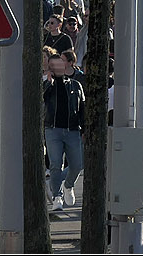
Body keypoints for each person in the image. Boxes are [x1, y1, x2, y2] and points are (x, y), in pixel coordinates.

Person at [42, 51, 84, 211]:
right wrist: (50, 83)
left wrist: (83, 128)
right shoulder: (48, 85)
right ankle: (56, 197)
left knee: (77, 164)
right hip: (53, 129)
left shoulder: (75, 85)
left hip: (72, 129)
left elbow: (82, 109)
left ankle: (68, 185)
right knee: (55, 165)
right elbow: (43, 98)